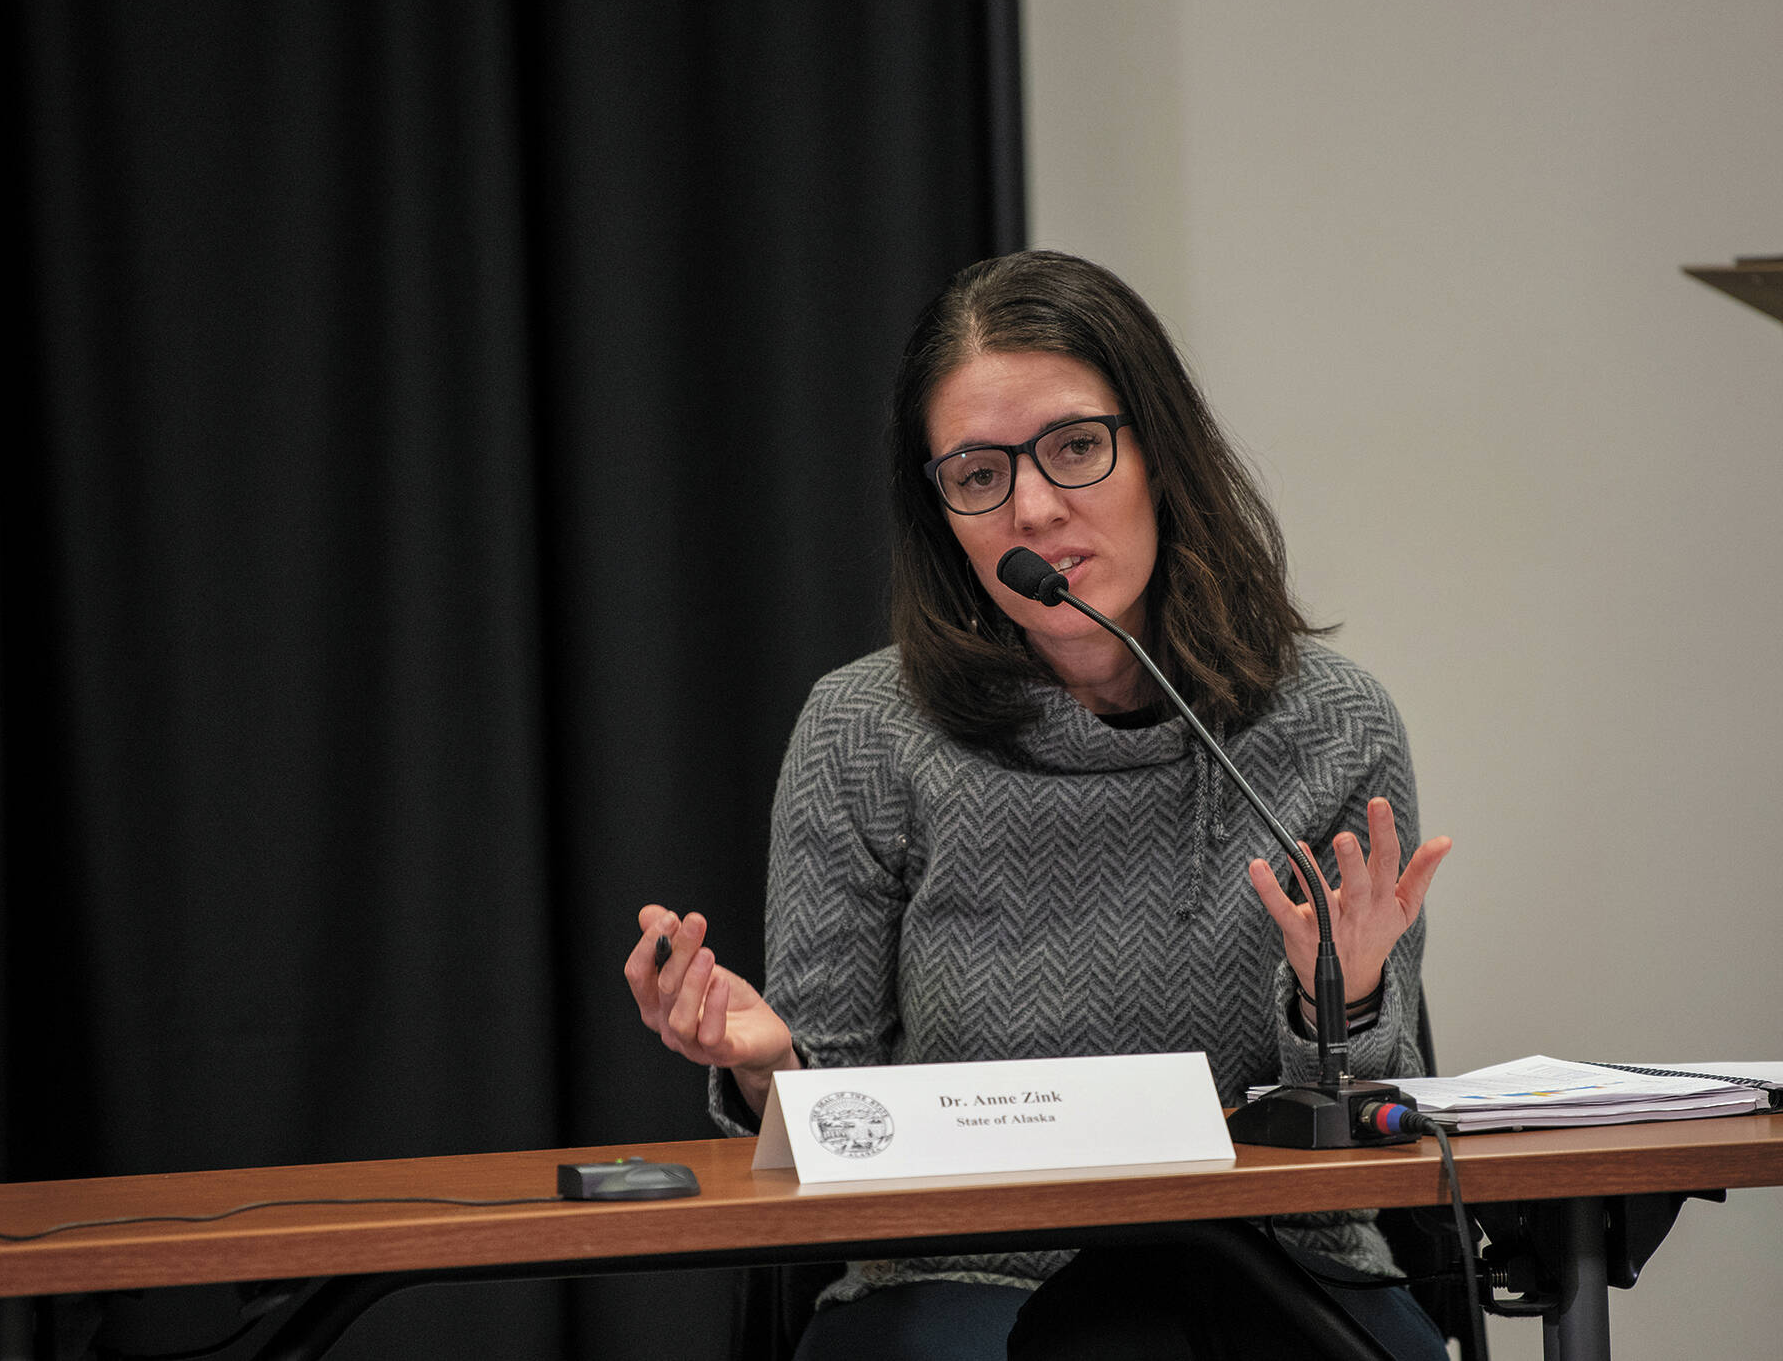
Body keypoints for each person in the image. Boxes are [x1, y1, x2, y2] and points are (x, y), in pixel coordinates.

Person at [622, 250, 1453, 1360]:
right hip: (959, 1271)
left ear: (1159, 450)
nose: (1033, 508)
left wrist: (1329, 1010)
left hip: (1275, 1266)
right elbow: (834, 1144)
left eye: (1073, 448)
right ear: (942, 513)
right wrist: (767, 1066)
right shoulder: (865, 730)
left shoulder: (1328, 722)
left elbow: (1349, 1132)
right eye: (976, 474)